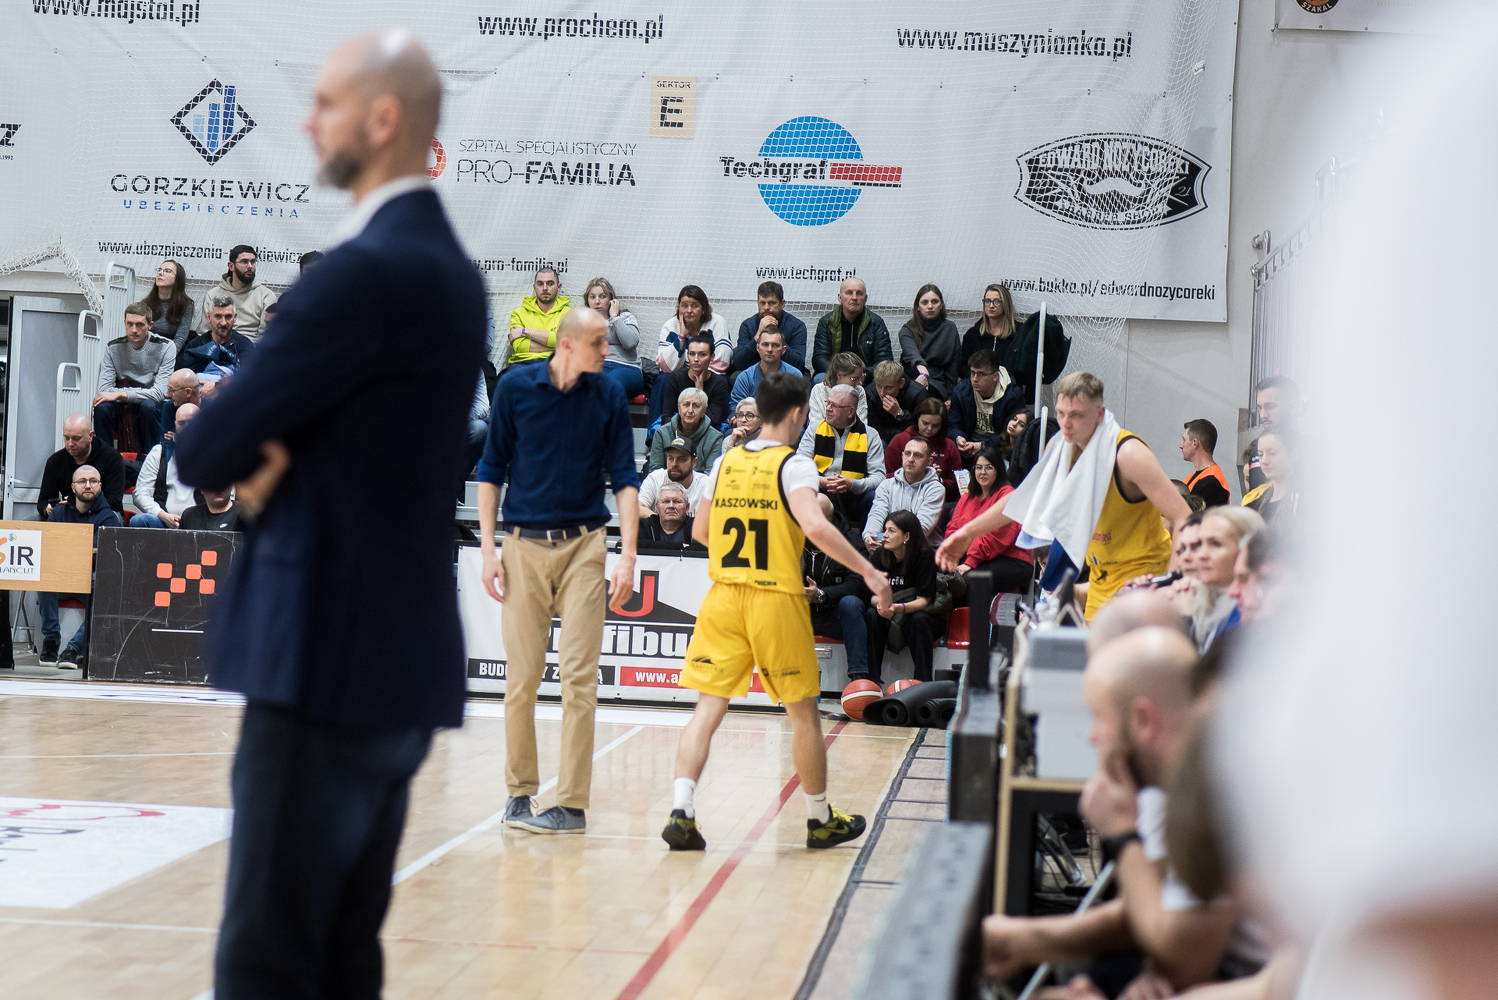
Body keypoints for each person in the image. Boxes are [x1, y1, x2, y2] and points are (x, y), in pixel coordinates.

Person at [172, 32, 489, 999]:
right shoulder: (455, 273)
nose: (309, 123)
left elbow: (206, 450)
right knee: (346, 957)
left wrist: (271, 457)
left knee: (267, 960)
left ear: (383, 119)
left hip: (318, 656)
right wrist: (294, 454)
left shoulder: (359, 273)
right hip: (400, 657)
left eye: (325, 104)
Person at [662, 372, 892, 852]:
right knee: (803, 714)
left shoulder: (724, 462)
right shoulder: (795, 465)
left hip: (724, 596)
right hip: (775, 598)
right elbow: (815, 526)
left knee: (708, 708)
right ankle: (819, 818)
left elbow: (700, 531)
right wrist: (869, 572)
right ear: (797, 413)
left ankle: (681, 811)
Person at [983, 627, 1247, 995]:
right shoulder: (1179, 784)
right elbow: (1151, 907)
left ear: (1142, 720)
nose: (1092, 736)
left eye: (1097, 716)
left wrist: (1123, 835)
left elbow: (1185, 959)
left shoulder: (1217, 789)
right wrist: (1022, 940)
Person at [477, 307, 639, 835]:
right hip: (522, 546)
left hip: (585, 548)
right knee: (521, 679)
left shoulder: (608, 395)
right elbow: (490, 471)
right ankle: (519, 794)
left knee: (579, 680)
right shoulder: (515, 388)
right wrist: (488, 550)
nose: (607, 352)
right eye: (598, 343)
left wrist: (628, 555)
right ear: (567, 345)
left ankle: (571, 805)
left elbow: (625, 478)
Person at [937, 373, 1191, 621]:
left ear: (1100, 414)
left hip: (1145, 577)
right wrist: (967, 532)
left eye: (1076, 415)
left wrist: (1170, 583)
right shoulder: (1060, 446)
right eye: (1061, 413)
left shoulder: (1129, 454)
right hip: (1101, 576)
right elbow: (1023, 500)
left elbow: (1184, 517)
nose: (1066, 424)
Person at [35, 464, 121, 671]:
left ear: (100, 486)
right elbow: (50, 547)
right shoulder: (58, 513)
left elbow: (101, 557)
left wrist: (68, 547)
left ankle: (73, 649)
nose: (88, 485)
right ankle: (51, 639)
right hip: (61, 573)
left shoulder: (109, 518)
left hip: (91, 576)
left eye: (93, 481)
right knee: (43, 576)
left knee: (107, 591)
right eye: (82, 481)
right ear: (73, 487)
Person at [866, 510, 944, 684]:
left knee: (919, 620)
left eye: (891, 531)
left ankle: (922, 682)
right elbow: (873, 596)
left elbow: (923, 601)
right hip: (890, 611)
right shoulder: (880, 555)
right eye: (885, 530)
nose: (885, 535)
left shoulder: (925, 556)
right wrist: (883, 605)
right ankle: (872, 681)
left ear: (906, 536)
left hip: (918, 612)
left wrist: (896, 608)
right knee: (872, 615)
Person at [804, 493, 874, 682]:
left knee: (851, 603)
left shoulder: (851, 543)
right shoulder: (792, 538)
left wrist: (821, 594)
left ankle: (859, 678)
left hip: (834, 617)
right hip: (800, 615)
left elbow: (860, 584)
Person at [945, 446, 1033, 595]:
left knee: (967, 581)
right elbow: (953, 529)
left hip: (1012, 558)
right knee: (939, 574)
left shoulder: (1007, 495)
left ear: (999, 470)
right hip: (980, 557)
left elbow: (994, 536)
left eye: (989, 467)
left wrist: (970, 561)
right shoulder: (967, 497)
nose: (983, 472)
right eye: (978, 467)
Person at [93, 301, 176, 452]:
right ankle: (105, 459)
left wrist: (121, 394)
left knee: (148, 406)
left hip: (151, 404)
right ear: (124, 323)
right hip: (124, 403)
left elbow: (159, 393)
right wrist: (124, 395)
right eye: (130, 324)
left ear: (150, 325)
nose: (134, 330)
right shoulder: (113, 347)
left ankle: (151, 459)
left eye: (140, 325)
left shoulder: (166, 347)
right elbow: (104, 390)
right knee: (102, 407)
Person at [798, 383, 884, 526]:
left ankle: (868, 539)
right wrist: (821, 481)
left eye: (834, 406)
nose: (828, 408)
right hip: (822, 491)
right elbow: (799, 470)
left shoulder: (870, 435)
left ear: (850, 412)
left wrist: (852, 484)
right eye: (828, 403)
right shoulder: (814, 430)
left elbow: (879, 477)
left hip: (854, 495)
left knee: (874, 496)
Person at [650, 284, 730, 423]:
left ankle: (719, 429)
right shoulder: (670, 326)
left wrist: (699, 379)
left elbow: (721, 363)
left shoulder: (717, 322)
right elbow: (664, 366)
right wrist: (681, 337)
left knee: (721, 382)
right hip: (681, 377)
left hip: (708, 375)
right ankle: (656, 431)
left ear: (703, 308)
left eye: (694, 306)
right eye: (684, 305)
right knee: (663, 380)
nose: (689, 311)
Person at [36, 413, 126, 519]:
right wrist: (48, 508)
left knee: (112, 517)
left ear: (90, 436)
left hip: (102, 512)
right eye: (66, 438)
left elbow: (114, 501)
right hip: (68, 514)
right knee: (31, 520)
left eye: (76, 438)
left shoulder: (112, 458)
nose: (70, 444)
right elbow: (43, 501)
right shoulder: (55, 461)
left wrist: (78, 505)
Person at [863, 435, 945, 550]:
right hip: (892, 545)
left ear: (929, 461)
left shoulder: (936, 489)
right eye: (907, 454)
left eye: (918, 455)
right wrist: (870, 535)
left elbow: (922, 528)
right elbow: (877, 514)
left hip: (923, 549)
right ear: (902, 456)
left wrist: (892, 540)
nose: (910, 459)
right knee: (874, 547)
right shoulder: (886, 485)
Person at [948, 348, 1025, 463]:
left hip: (999, 452)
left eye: (981, 374)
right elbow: (953, 424)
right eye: (972, 373)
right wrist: (959, 438)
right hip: (967, 449)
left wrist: (983, 445)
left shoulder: (1013, 396)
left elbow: (1012, 434)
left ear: (995, 376)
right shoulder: (961, 392)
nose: (975, 379)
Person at [133, 404, 202, 528]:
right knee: (139, 521)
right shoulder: (159, 452)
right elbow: (140, 493)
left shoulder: (213, 453)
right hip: (164, 520)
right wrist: (162, 515)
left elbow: (228, 494)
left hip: (202, 521)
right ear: (175, 425)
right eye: (182, 423)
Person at [192, 244, 279, 339]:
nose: (250, 266)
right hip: (220, 344)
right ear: (231, 266)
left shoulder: (266, 296)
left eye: (253, 262)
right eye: (244, 262)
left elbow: (266, 334)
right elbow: (205, 331)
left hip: (251, 345)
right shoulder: (213, 294)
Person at [885, 397, 963, 501]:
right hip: (900, 497)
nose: (929, 428)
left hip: (939, 500)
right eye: (925, 423)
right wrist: (911, 475)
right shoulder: (900, 440)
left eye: (935, 425)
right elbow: (885, 477)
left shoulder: (949, 446)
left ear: (942, 425)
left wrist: (938, 480)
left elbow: (958, 487)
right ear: (918, 418)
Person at [812, 277, 892, 376]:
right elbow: (819, 359)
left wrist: (864, 374)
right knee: (819, 378)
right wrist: (841, 374)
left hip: (866, 376)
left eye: (859, 293)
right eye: (849, 293)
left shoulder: (876, 323)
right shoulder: (826, 322)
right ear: (840, 298)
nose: (854, 297)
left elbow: (884, 360)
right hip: (836, 375)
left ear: (865, 299)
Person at [897, 283, 962, 399]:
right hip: (912, 375)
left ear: (941, 305)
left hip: (937, 382)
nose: (930, 306)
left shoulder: (950, 328)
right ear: (918, 306)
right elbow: (912, 355)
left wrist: (950, 395)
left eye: (935, 302)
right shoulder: (908, 330)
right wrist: (923, 372)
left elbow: (953, 365)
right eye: (924, 302)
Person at [730, 280, 807, 374]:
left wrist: (778, 339)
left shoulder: (797, 326)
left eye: (772, 303)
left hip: (786, 374)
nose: (766, 308)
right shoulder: (747, 325)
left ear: (782, 304)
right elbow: (739, 364)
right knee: (736, 376)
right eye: (762, 303)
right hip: (755, 373)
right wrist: (757, 336)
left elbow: (798, 364)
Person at [658, 334, 732, 430]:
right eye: (692, 354)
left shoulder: (719, 383)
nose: (696, 359)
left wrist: (700, 393)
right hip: (678, 430)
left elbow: (714, 423)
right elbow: (666, 416)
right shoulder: (676, 378)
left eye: (702, 355)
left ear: (712, 356)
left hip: (705, 433)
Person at [500, 267, 570, 368]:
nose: (545, 288)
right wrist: (556, 346)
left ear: (559, 287)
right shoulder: (518, 314)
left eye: (550, 284)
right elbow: (520, 347)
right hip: (523, 365)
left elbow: (563, 341)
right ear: (534, 287)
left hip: (556, 365)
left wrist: (524, 331)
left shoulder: (569, 314)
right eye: (540, 284)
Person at [585, 277, 643, 398]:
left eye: (602, 296)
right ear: (588, 301)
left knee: (604, 385)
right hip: (598, 367)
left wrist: (614, 317)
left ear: (611, 300)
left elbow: (631, 343)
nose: (597, 301)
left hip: (627, 368)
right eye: (592, 297)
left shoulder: (625, 317)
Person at [1241, 375, 1299, 492]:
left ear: (1292, 407)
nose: (1263, 415)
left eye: (1270, 406)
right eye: (1260, 408)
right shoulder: (1255, 451)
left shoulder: (1312, 451)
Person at [646, 387, 723, 475]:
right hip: (667, 482)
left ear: (703, 411)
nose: (690, 410)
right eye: (686, 405)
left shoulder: (715, 438)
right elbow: (656, 472)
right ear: (679, 408)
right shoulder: (661, 433)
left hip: (700, 483)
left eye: (696, 406)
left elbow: (711, 476)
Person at [729, 324, 800, 412]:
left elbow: (798, 411)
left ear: (783, 350)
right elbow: (736, 410)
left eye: (775, 345)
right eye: (765, 344)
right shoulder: (745, 378)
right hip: (751, 420)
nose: (770, 349)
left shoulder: (794, 376)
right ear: (757, 348)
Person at [179, 296, 257, 375]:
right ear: (209, 317)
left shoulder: (244, 346)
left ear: (235, 317)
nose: (223, 323)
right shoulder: (195, 345)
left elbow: (247, 376)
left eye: (228, 317)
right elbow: (184, 376)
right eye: (218, 316)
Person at [961, 283, 1023, 377]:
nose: (991, 305)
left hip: (1009, 384)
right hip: (977, 384)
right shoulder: (972, 334)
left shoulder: (1019, 334)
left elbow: (1023, 368)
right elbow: (962, 366)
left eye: (997, 301)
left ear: (1005, 304)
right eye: (987, 301)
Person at [1241, 429, 1298, 524]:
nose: (1264, 461)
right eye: (1260, 455)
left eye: (1272, 453)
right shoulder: (1253, 501)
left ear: (1293, 455)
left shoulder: (1305, 499)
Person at [639, 436, 707, 516]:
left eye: (681, 459)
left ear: (694, 462)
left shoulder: (706, 485)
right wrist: (663, 522)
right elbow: (638, 508)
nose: (674, 464)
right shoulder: (655, 478)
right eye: (671, 459)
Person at [866, 359, 930, 444]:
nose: (882, 393)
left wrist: (899, 414)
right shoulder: (870, 393)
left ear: (901, 383)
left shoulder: (918, 395)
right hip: (883, 438)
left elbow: (920, 430)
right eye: (879, 386)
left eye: (888, 388)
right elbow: (875, 429)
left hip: (913, 441)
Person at [142, 259, 196, 351]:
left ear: (177, 279)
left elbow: (180, 338)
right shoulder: (145, 303)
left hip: (173, 350)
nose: (160, 273)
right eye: (159, 270)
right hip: (149, 350)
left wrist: (168, 356)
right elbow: (141, 335)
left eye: (167, 271)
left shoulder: (186, 305)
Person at [806, 352, 869, 431]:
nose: (859, 383)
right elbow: (815, 425)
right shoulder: (818, 390)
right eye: (854, 379)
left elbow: (862, 425)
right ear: (839, 375)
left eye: (861, 378)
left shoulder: (859, 391)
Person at [1180, 419, 1231, 508]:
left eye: (1184, 440)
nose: (1181, 446)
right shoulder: (1193, 478)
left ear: (1195, 443)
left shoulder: (1211, 482)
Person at [638, 482, 698, 547]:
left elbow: (701, 548)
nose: (671, 506)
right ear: (657, 507)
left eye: (677, 502)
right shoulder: (644, 525)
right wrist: (681, 546)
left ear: (687, 507)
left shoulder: (697, 526)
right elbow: (637, 545)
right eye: (666, 501)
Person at [714, 396, 760, 461]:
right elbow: (727, 466)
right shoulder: (728, 440)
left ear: (760, 420)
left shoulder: (766, 441)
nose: (743, 420)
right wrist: (732, 444)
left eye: (750, 416)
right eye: (740, 415)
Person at [160, 369, 203, 438]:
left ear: (188, 392)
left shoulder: (212, 411)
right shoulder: (169, 408)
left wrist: (178, 439)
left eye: (172, 390)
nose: (168, 395)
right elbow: (166, 441)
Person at [995, 408, 1031, 475]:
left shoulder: (1023, 455)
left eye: (1021, 425)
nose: (1014, 424)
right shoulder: (998, 442)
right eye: (1014, 419)